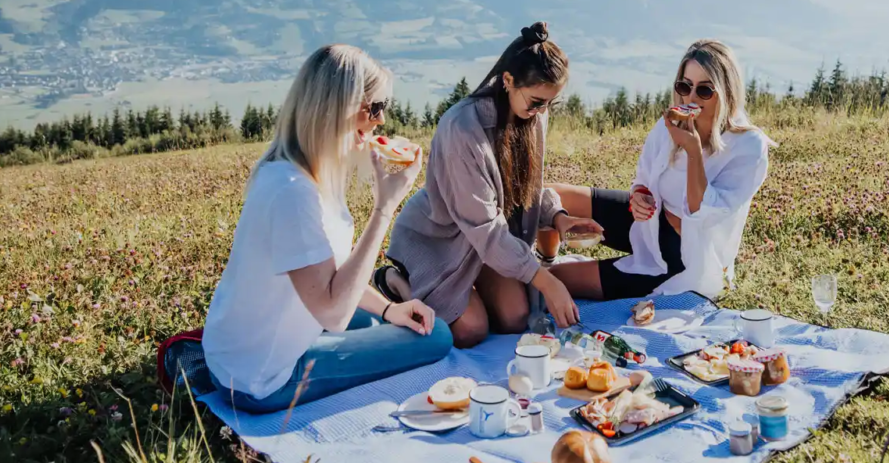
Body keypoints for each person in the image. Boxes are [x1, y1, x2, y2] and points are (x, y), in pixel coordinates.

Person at [201, 44, 451, 413]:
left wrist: (387, 310)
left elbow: (329, 273)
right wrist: (384, 208)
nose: (380, 121)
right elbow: (333, 314)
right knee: (437, 337)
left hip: (236, 353)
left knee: (399, 321)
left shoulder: (294, 170)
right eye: (375, 107)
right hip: (262, 378)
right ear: (341, 107)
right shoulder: (293, 193)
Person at [376, 22, 603, 348]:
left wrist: (559, 218)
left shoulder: (533, 116)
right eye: (537, 101)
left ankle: (472, 290)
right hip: (444, 240)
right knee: (471, 330)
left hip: (485, 244)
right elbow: (483, 226)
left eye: (550, 104)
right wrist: (547, 282)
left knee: (514, 318)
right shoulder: (461, 128)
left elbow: (526, 190)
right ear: (508, 81)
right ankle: (397, 281)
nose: (541, 112)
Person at [544, 39, 772, 300]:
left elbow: (704, 216)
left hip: (683, 257)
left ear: (726, 91)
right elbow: (644, 175)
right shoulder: (672, 122)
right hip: (649, 222)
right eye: (685, 86)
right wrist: (639, 194)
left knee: (553, 281)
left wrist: (694, 152)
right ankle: (544, 254)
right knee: (550, 194)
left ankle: (544, 273)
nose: (691, 97)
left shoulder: (749, 146)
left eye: (705, 91)